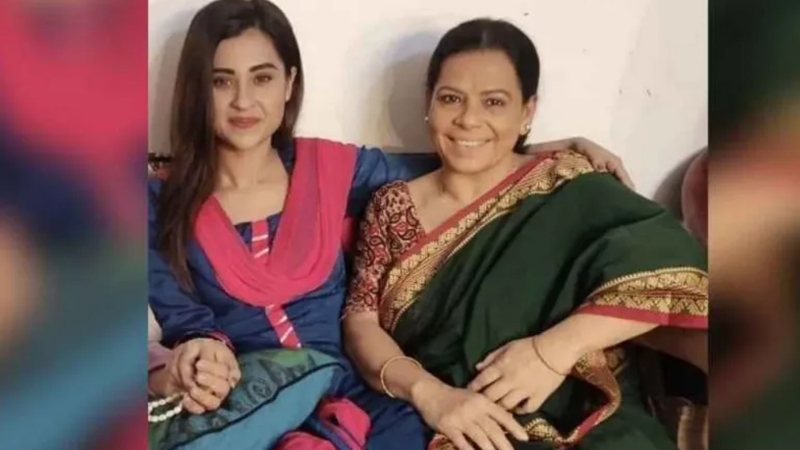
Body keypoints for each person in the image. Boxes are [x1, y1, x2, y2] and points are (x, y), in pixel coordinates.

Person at [147, 0, 635, 447]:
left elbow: (454, 160)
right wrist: (194, 356)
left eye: (262, 78)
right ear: (197, 88)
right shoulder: (155, 199)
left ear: (290, 83)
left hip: (364, 402)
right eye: (221, 81)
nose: (243, 101)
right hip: (251, 409)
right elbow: (182, 320)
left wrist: (543, 148)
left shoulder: (330, 171)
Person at [342, 18, 707, 450]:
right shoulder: (391, 206)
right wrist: (432, 395)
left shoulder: (565, 180)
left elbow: (675, 270)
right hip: (467, 423)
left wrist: (552, 351)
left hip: (593, 417)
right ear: (429, 101)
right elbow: (360, 321)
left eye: (494, 102)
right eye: (451, 98)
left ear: (527, 111)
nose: (468, 119)